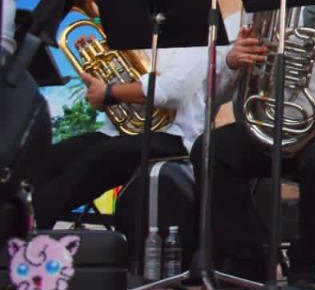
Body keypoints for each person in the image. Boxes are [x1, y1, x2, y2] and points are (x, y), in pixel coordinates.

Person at [192, 0, 315, 288]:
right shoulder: (248, 15)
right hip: (266, 126)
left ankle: (305, 258)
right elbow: (213, 98)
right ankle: (248, 256)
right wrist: (232, 63)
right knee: (210, 149)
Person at [27, 40, 211, 231]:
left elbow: (171, 92)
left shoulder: (195, 44)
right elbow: (126, 99)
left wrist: (108, 92)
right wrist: (99, 84)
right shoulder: (140, 39)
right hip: (121, 132)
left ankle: (28, 224)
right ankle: (16, 212)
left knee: (100, 156)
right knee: (55, 157)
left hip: (174, 135)